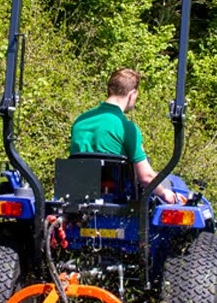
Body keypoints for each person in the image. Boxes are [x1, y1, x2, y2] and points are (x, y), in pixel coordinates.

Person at [69, 68, 182, 204]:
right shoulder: (126, 128)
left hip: (78, 199)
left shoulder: (80, 121)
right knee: (173, 187)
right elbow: (145, 177)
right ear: (132, 94)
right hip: (116, 203)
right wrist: (164, 193)